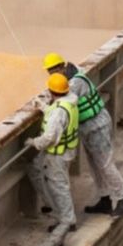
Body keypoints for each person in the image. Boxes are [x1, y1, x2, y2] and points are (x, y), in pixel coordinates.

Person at [44, 52, 123, 217]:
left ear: (62, 67)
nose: (52, 74)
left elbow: (61, 100)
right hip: (87, 127)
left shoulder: (75, 82)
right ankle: (105, 198)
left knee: (105, 163)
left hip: (97, 125)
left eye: (54, 70)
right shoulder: (73, 72)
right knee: (94, 164)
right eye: (50, 71)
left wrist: (43, 105)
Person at [25, 73, 79, 233]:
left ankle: (68, 221)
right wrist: (42, 106)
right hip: (65, 151)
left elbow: (49, 137)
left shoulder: (58, 111)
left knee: (59, 187)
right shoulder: (69, 101)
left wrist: (34, 142)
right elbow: (56, 114)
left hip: (57, 154)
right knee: (41, 172)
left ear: (51, 91)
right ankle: (60, 214)